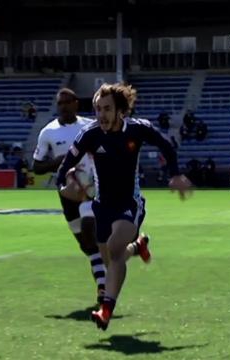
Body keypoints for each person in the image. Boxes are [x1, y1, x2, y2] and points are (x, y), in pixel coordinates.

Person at [57, 83, 191, 330]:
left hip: (129, 203)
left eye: (107, 109)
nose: (101, 115)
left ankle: (105, 311)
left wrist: (175, 174)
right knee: (113, 261)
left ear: (120, 110)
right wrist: (64, 180)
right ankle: (138, 246)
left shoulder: (138, 129)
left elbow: (166, 146)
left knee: (115, 249)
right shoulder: (91, 134)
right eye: (97, 109)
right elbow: (68, 161)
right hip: (101, 205)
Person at [34, 88, 116, 304]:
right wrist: (59, 161)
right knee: (85, 245)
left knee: (90, 229)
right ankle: (132, 249)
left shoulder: (89, 126)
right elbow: (37, 166)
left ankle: (102, 287)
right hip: (67, 191)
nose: (63, 106)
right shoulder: (48, 132)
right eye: (60, 103)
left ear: (76, 103)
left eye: (67, 102)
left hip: (91, 188)